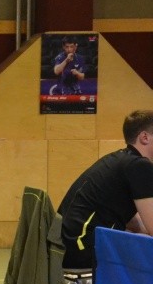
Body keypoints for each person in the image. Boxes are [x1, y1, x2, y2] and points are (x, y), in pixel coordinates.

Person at [58, 110, 153, 270]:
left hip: (70, 246)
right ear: (144, 137)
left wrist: (142, 232)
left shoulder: (120, 159)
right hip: (83, 250)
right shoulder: (139, 166)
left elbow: (130, 218)